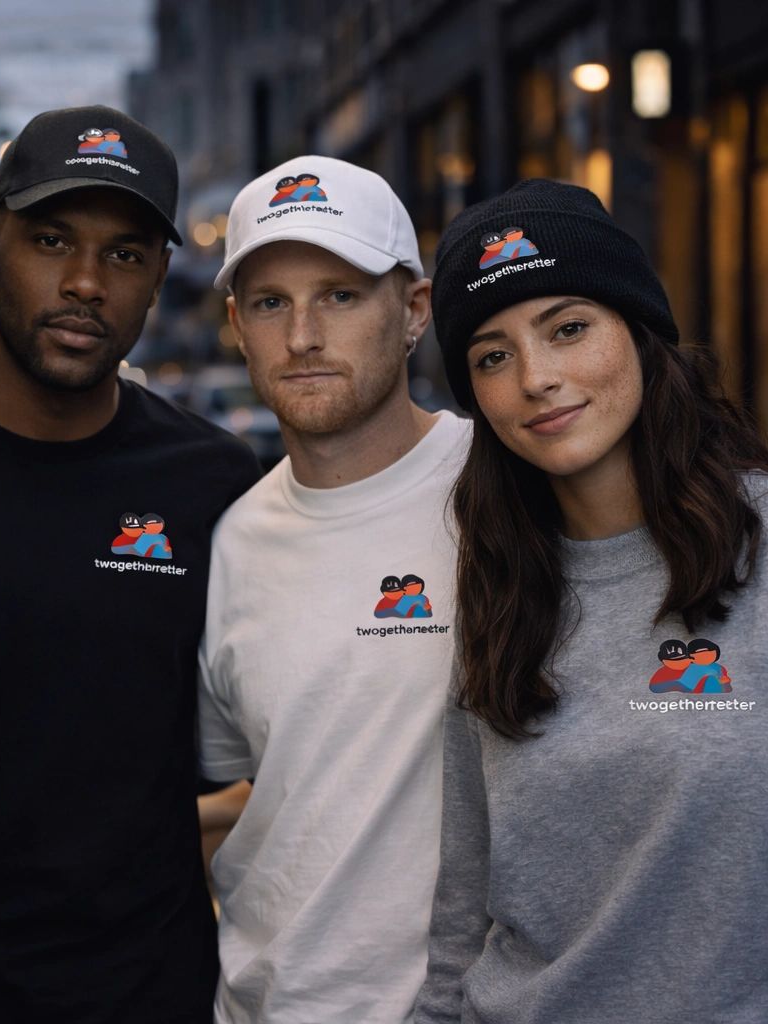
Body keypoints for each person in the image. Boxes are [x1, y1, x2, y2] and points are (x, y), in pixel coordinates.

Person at [415, 179, 768, 1022]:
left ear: (639, 330)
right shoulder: (503, 592)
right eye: (492, 356)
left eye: (569, 328)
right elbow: (466, 906)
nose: (536, 378)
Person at [0, 104, 261, 1024]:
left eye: (125, 254)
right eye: (51, 240)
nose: (84, 282)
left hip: (149, 993)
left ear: (157, 278)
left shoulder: (216, 485)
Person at [198, 155, 469, 1023]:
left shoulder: (505, 492)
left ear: (415, 310)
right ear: (238, 325)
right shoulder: (232, 541)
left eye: (341, 296)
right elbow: (260, 786)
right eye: (270, 303)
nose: (303, 336)